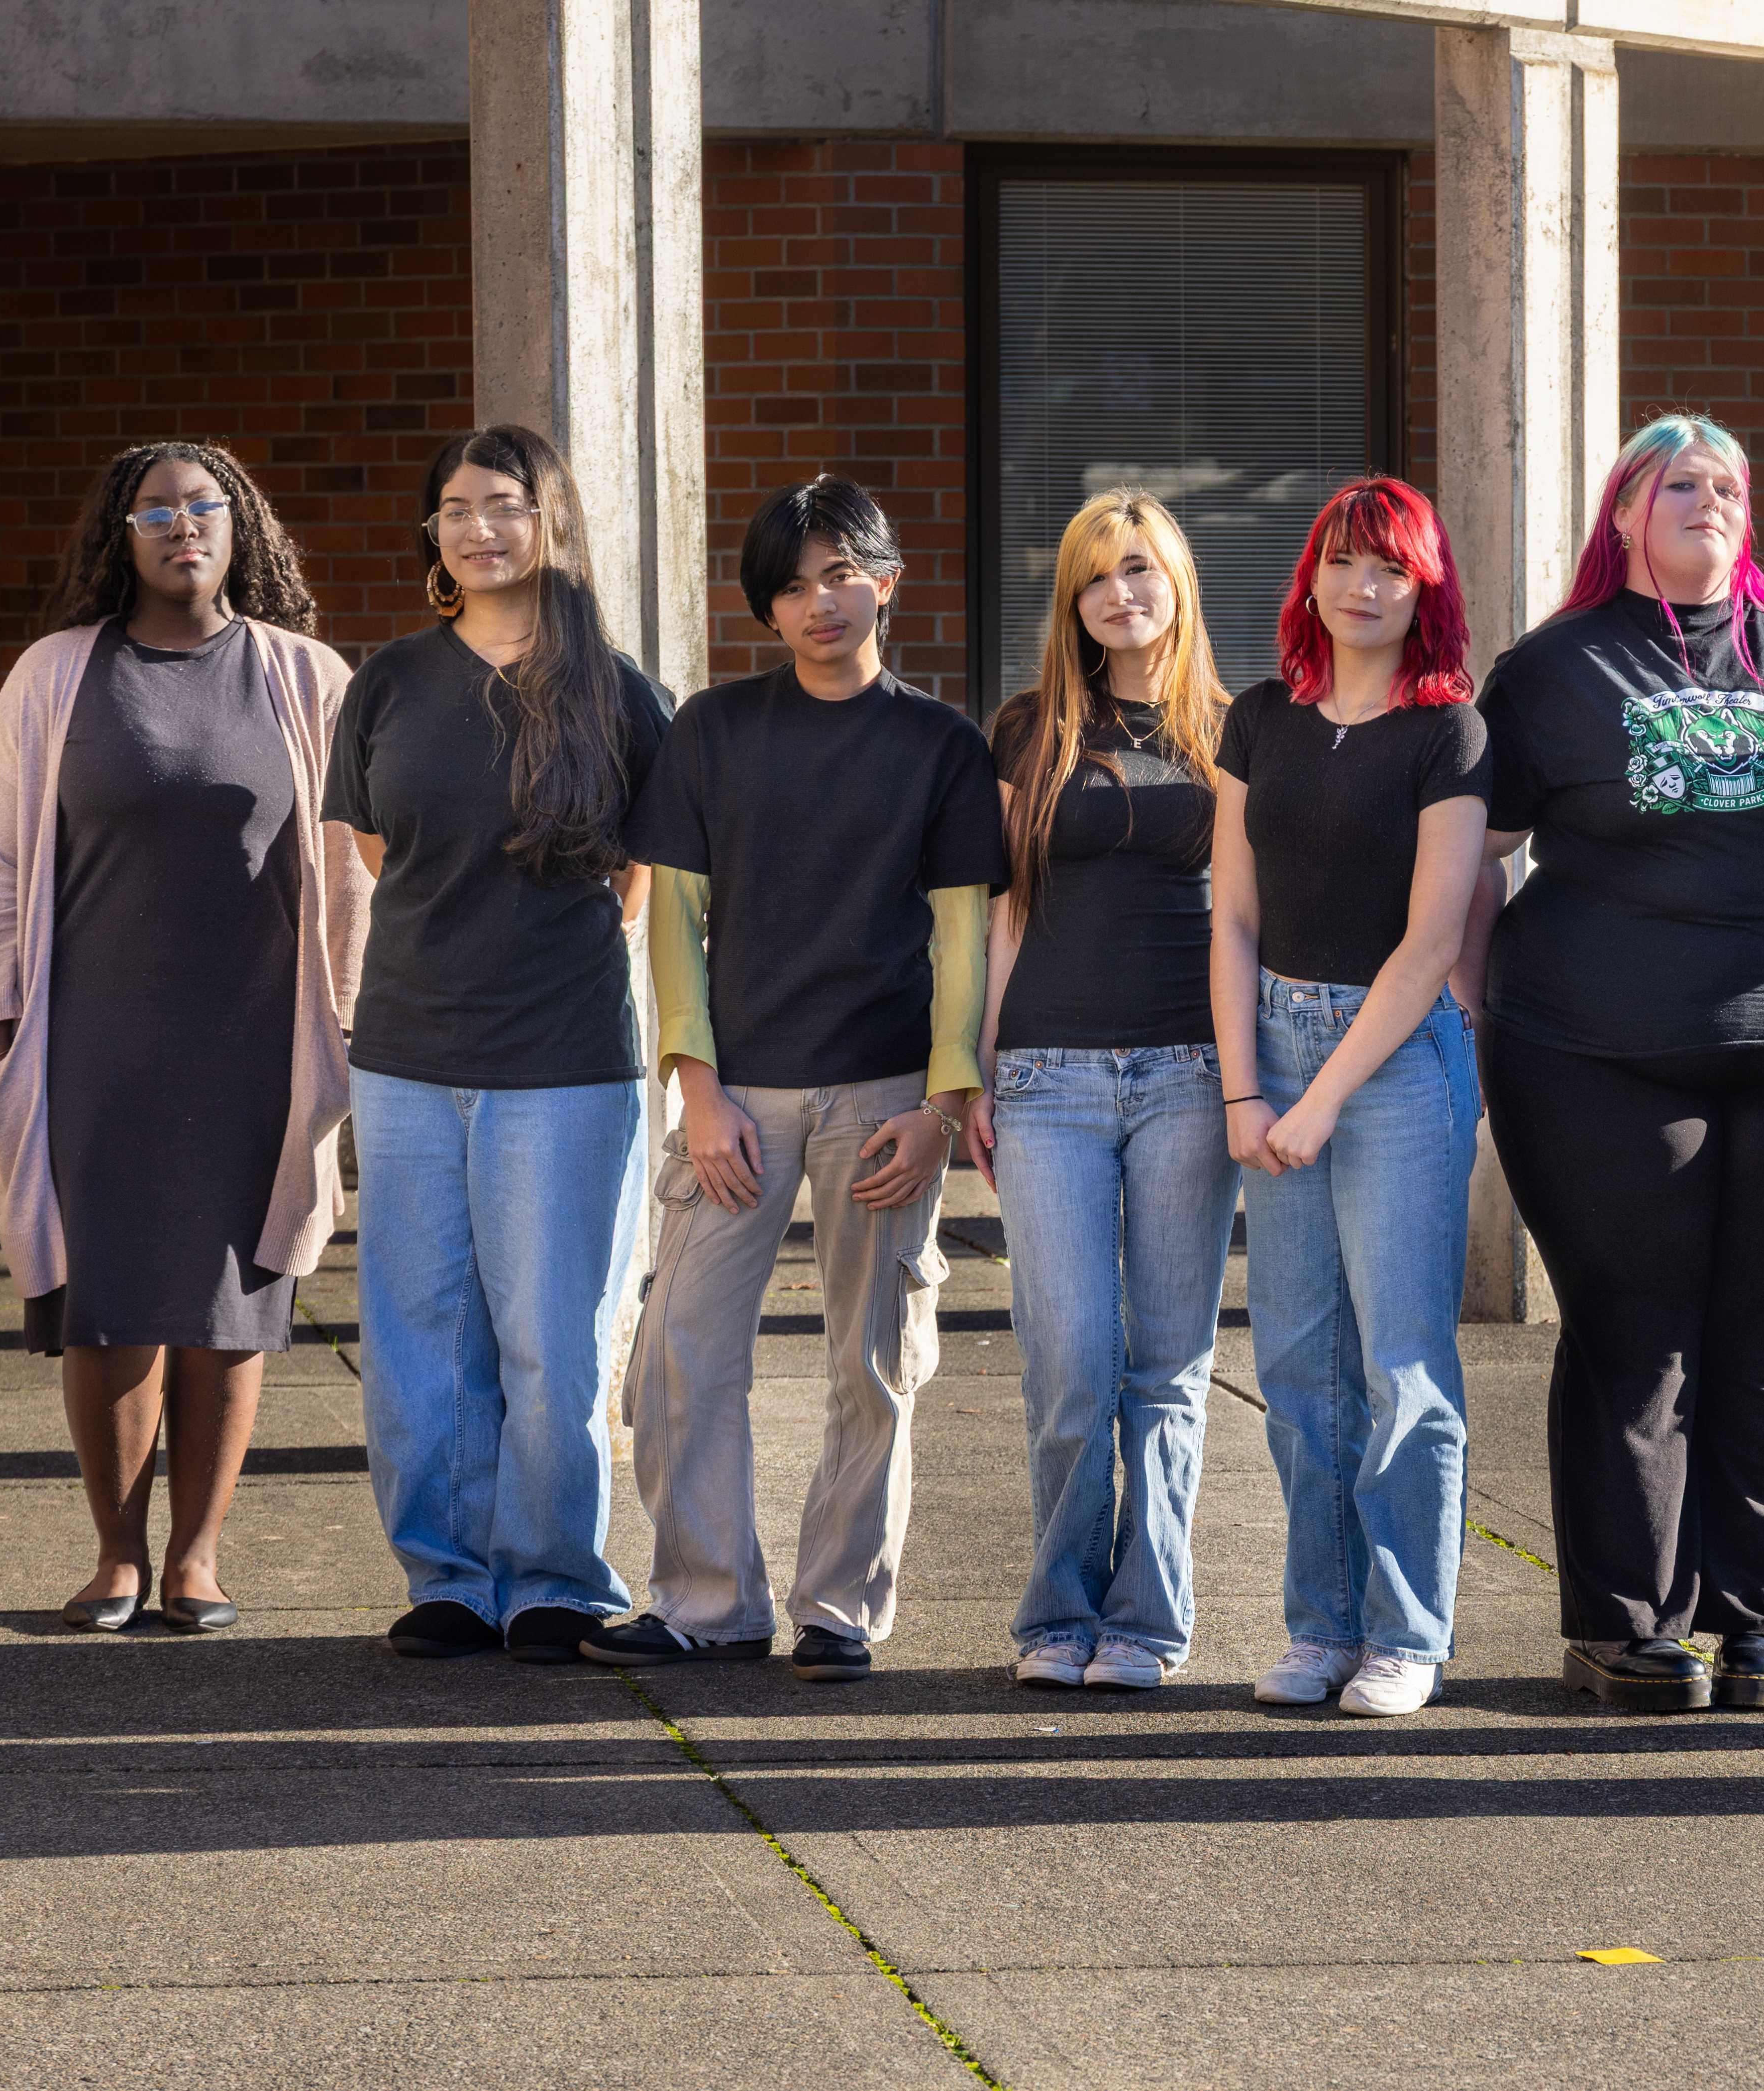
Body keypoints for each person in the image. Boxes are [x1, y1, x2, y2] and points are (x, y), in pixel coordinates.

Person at [1459, 412, 1764, 1714]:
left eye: (1727, 485)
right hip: (1594, 1053)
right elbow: (1475, 853)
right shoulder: (1553, 672)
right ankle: (1625, 1625)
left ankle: (1758, 1625)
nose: (1708, 500)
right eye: (1679, 483)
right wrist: (1476, 993)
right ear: (1623, 514)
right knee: (1631, 1329)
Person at [588, 475, 1006, 1685]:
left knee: (873, 1359)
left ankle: (839, 1606)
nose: (817, 602)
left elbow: (963, 937)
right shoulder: (714, 732)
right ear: (764, 608)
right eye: (789, 584)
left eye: (839, 575)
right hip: (740, 1098)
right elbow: (673, 917)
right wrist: (696, 1087)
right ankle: (710, 1600)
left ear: (887, 583)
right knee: (678, 1351)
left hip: (884, 1097)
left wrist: (942, 1106)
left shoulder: (940, 746)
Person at [0, 441, 366, 1636]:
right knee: (108, 1297)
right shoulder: (52, 677)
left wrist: (343, 1022)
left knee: (232, 1297)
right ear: (120, 535)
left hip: (256, 1030)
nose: (183, 526)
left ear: (241, 527)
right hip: (95, 1032)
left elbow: (352, 869)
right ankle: (114, 1555)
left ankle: (197, 1557)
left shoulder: (306, 678)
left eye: (204, 507)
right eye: (156, 511)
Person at [324, 424, 670, 1664]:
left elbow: (643, 880)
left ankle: (554, 1579)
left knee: (554, 1332)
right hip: (410, 1050)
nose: (480, 526)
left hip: (566, 1056)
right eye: (457, 507)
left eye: (506, 504)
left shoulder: (618, 689)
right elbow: (380, 856)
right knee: (421, 1326)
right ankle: (450, 1576)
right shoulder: (393, 683)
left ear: (551, 523)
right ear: (435, 535)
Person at [1211, 476, 1489, 1720]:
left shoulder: (1451, 733)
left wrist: (1318, 1098)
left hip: (1393, 1062)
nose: (1363, 584)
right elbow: (1230, 916)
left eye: (1390, 566)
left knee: (1403, 1364)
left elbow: (1433, 940)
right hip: (1269, 1041)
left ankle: (1406, 1631)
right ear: (1310, 576)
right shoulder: (1260, 718)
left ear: (1425, 586)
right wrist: (1242, 1093)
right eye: (1343, 560)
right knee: (1297, 1364)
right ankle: (1320, 1625)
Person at [970, 492, 1238, 1692]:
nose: (1121, 594)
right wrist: (976, 1069)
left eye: (1141, 570)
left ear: (1178, 581)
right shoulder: (1028, 730)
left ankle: (1149, 1619)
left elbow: (1249, 921)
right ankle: (1058, 1607)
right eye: (1095, 577)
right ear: (1072, 603)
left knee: (1169, 1363)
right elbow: (1006, 912)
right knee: (1071, 1358)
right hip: (1049, 1076)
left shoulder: (1238, 733)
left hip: (1191, 1071)